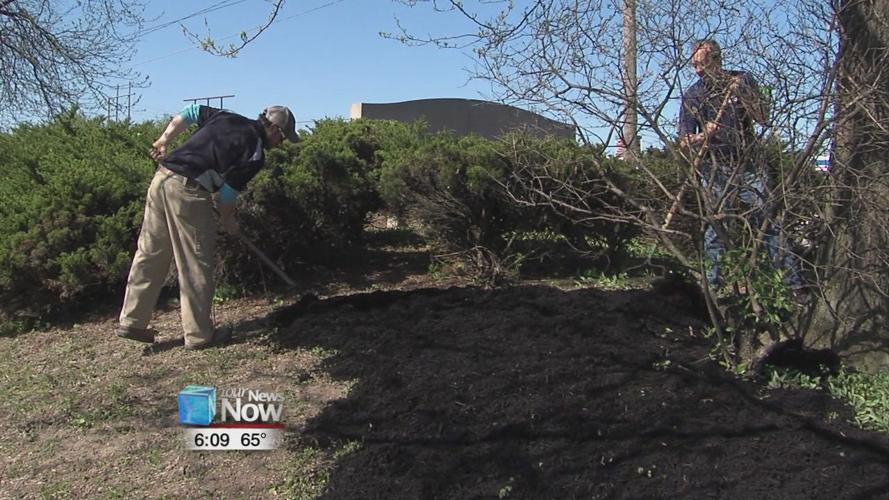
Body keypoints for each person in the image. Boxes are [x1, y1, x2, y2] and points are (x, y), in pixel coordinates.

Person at [115, 103, 299, 349]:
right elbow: (226, 196)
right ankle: (199, 335)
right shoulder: (255, 152)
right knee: (195, 263)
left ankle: (132, 321)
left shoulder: (226, 117)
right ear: (275, 129)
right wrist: (228, 220)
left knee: (150, 253)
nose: (281, 144)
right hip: (188, 192)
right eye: (283, 138)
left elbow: (191, 112)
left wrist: (164, 139)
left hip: (162, 179)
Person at [678, 39, 801, 290]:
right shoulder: (693, 95)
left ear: (717, 60)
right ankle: (714, 287)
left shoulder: (742, 80)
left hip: (749, 164)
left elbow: (763, 117)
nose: (698, 70)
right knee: (716, 227)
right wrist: (704, 135)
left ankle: (793, 285)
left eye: (702, 64)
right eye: (694, 65)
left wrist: (744, 94)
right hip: (715, 167)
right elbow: (684, 141)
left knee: (768, 222)